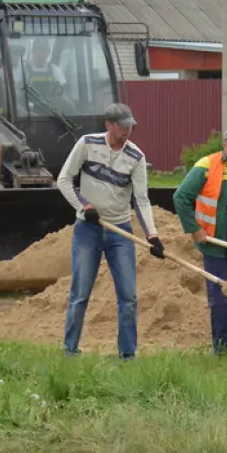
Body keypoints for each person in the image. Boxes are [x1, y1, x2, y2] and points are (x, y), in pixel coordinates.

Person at [55, 102, 165, 360]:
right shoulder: (87, 143)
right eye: (123, 126)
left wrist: (152, 235)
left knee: (128, 297)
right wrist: (84, 207)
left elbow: (141, 199)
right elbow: (63, 180)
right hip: (88, 230)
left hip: (120, 231)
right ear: (109, 124)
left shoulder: (136, 156)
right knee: (80, 293)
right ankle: (70, 350)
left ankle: (128, 355)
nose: (128, 131)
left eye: (130, 126)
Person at [173, 124, 227, 355]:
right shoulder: (207, 165)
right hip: (215, 241)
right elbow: (181, 197)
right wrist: (194, 229)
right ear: (225, 146)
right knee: (221, 292)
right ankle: (223, 344)